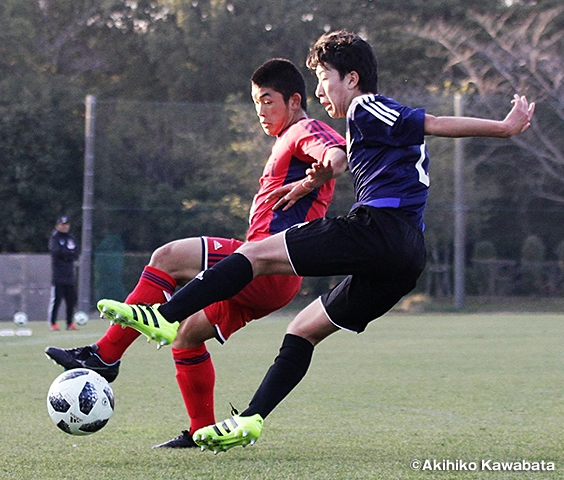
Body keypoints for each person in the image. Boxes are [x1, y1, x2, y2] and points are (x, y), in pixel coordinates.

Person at [98, 30, 535, 452]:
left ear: (352, 78)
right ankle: (250, 418)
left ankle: (166, 315)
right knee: (303, 330)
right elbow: (346, 158)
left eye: (324, 77)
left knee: (253, 254)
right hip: (404, 256)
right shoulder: (367, 123)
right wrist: (313, 182)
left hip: (377, 230)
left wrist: (505, 126)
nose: (320, 90)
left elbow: (433, 122)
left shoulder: (366, 106)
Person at [45, 58, 347, 448]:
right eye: (255, 102)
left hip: (268, 265)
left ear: (293, 101)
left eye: (267, 100)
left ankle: (105, 355)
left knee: (168, 256)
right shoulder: (286, 139)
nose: (260, 111)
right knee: (187, 336)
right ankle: (200, 431)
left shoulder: (304, 128)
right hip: (275, 276)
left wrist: (329, 166)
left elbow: (336, 152)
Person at [48, 216, 80, 331]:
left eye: (66, 224)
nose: (65, 226)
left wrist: (67, 254)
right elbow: (57, 252)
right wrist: (67, 254)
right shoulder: (55, 237)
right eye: (62, 224)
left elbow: (75, 253)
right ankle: (52, 323)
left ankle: (70, 322)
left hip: (70, 275)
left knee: (71, 301)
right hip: (58, 276)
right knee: (56, 301)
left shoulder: (71, 238)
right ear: (58, 226)